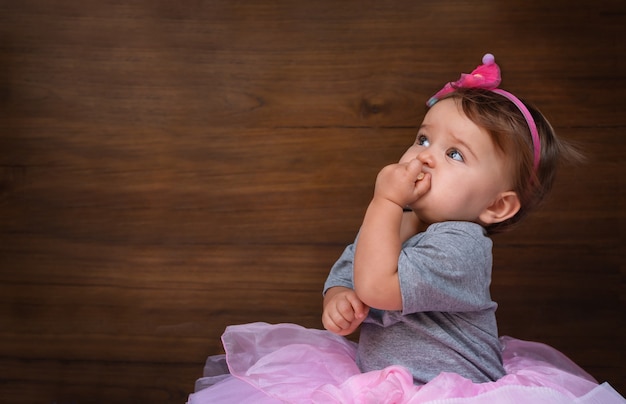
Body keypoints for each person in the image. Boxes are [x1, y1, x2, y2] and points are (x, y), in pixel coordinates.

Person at [187, 54, 625, 403]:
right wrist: (338, 297)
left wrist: (385, 200)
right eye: (423, 139)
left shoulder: (462, 245)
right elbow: (355, 267)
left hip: (448, 391)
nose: (426, 156)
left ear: (496, 206)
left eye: (455, 155)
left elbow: (377, 286)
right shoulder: (394, 222)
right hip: (380, 383)